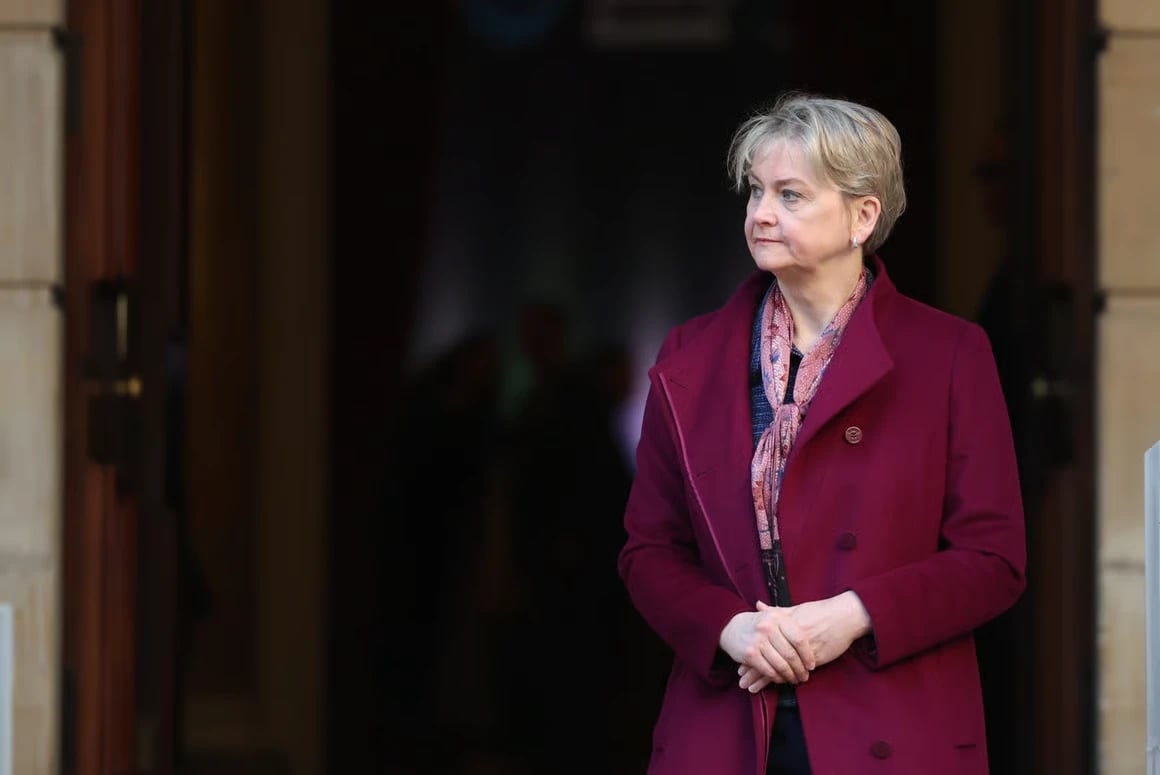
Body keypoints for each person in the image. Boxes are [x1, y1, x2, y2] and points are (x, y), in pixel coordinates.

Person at [618, 93, 1026, 774]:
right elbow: (649, 550)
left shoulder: (950, 354)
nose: (760, 213)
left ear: (862, 216)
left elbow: (993, 559)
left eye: (791, 195)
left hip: (893, 728)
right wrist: (730, 627)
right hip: (726, 726)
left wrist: (854, 614)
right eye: (755, 191)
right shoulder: (690, 358)